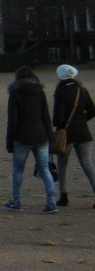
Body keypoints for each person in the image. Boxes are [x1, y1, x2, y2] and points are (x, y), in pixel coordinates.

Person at [5, 66, 57, 214]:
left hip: (22, 137)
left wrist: (9, 142)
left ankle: (17, 202)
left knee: (18, 171)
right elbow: (46, 117)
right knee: (45, 169)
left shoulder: (15, 93)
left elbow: (12, 120)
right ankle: (52, 202)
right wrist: (49, 136)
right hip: (40, 135)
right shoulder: (40, 92)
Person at [52, 65, 95, 208]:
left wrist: (63, 124)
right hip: (83, 132)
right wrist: (81, 120)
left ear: (60, 76)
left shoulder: (61, 92)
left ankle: (63, 195)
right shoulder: (81, 90)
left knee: (62, 165)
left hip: (67, 134)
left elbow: (57, 119)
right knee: (87, 165)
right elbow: (92, 111)